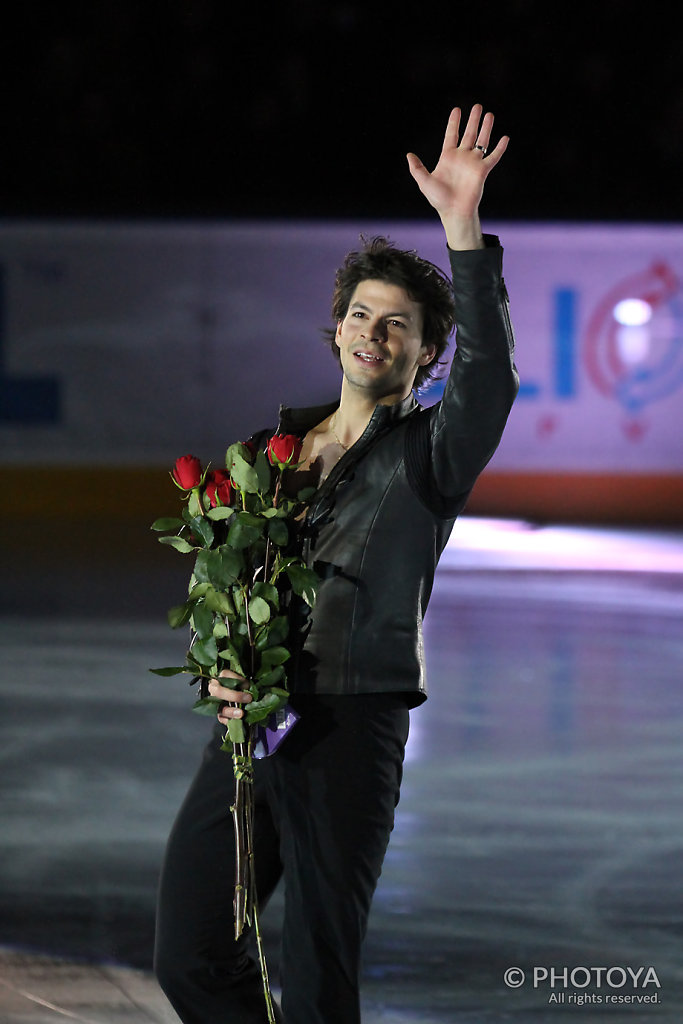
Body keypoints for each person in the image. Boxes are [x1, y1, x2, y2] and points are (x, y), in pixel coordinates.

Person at [154, 103, 519, 1024]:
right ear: (337, 326)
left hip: (350, 731)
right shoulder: (267, 450)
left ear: (426, 354)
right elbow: (219, 586)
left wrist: (462, 230)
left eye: (398, 326)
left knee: (319, 979)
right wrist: (223, 672)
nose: (373, 334)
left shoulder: (428, 455)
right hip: (252, 728)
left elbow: (493, 378)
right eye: (361, 315)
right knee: (191, 955)